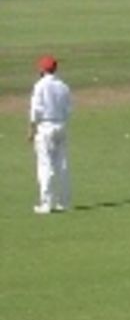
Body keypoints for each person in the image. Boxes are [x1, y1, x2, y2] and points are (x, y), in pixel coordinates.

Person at [28, 55, 72, 214]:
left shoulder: (39, 86)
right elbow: (69, 109)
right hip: (61, 125)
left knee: (45, 165)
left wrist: (32, 129)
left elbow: (35, 110)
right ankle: (64, 202)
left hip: (45, 126)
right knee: (62, 164)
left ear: (42, 69)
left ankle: (46, 203)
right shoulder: (63, 86)